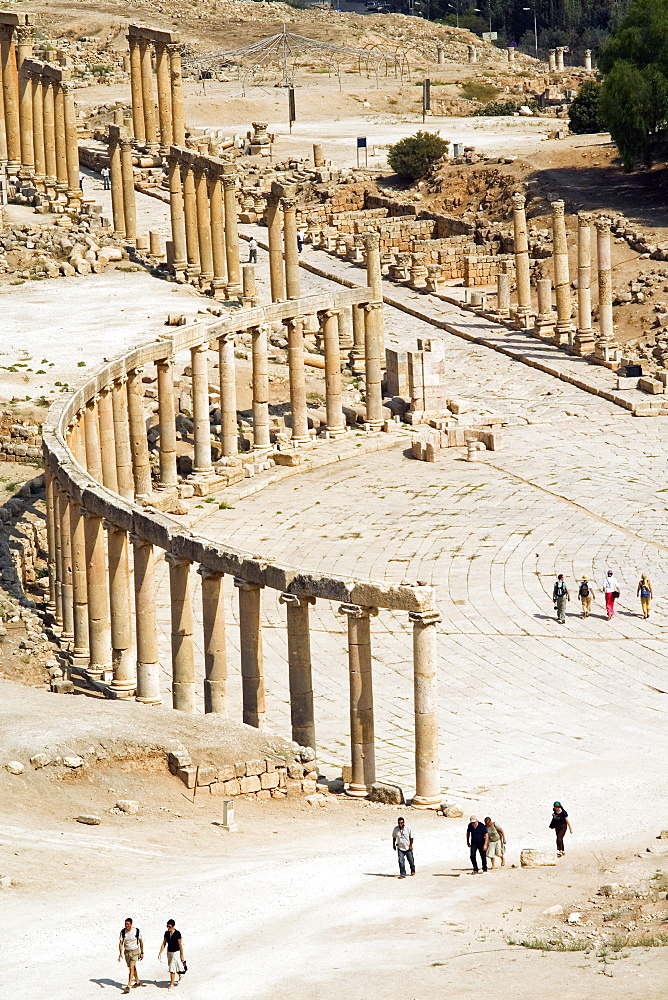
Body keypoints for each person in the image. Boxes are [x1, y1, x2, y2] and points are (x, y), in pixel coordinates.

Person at [158, 919, 186, 990]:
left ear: (173, 926)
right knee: (173, 966)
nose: (168, 928)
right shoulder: (166, 933)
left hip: (176, 952)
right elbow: (164, 943)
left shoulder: (177, 933)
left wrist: (181, 954)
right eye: (167, 926)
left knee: (172, 969)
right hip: (169, 952)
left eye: (169, 926)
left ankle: (172, 984)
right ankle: (180, 975)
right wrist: (160, 952)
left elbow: (180, 944)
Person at [118, 917, 143, 993]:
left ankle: (128, 985)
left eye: (128, 924)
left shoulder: (136, 931)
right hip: (127, 952)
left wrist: (142, 952)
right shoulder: (123, 932)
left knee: (131, 967)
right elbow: (121, 943)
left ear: (131, 924)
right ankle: (138, 981)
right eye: (125, 924)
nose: (126, 925)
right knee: (131, 967)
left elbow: (141, 942)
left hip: (135, 951)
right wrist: (120, 953)